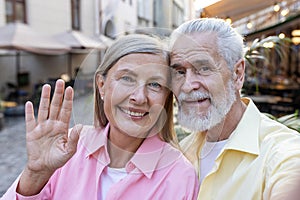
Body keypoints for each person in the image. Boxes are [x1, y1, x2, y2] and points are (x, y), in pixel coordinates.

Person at [2, 34, 199, 200]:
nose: (139, 97)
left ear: (166, 96)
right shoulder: (68, 148)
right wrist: (36, 173)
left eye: (155, 84)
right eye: (127, 79)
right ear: (102, 85)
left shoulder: (180, 177)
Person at [169, 18, 300, 199]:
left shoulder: (284, 154)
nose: (187, 85)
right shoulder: (180, 151)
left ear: (238, 74)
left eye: (204, 68)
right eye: (179, 72)